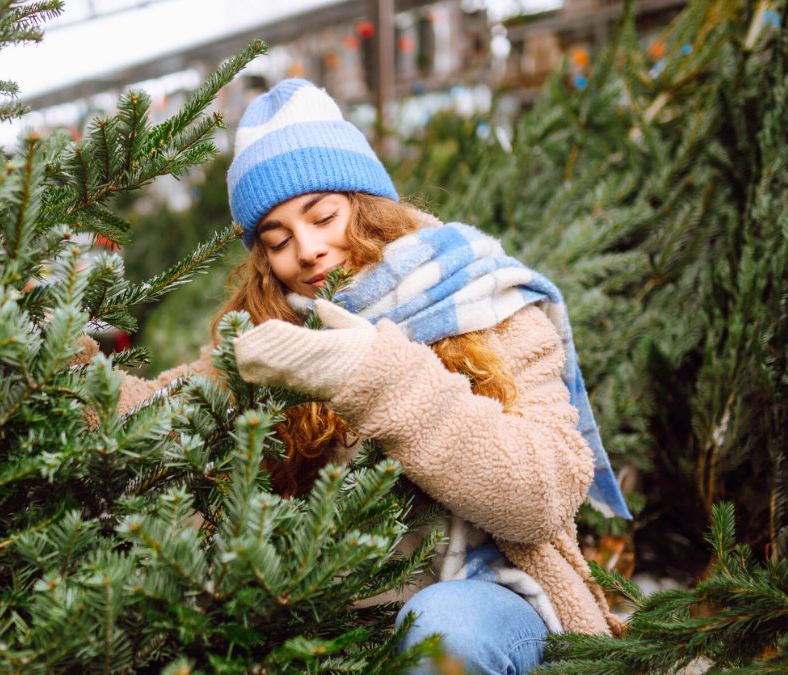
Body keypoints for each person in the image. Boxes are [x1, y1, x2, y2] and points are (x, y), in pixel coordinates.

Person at [110, 78, 630, 674]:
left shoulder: (486, 302)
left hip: (491, 597)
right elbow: (159, 409)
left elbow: (543, 495)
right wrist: (47, 360)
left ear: (366, 203)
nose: (307, 250)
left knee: (445, 630)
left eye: (323, 216)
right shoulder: (278, 340)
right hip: (341, 614)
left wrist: (373, 375)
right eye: (277, 241)